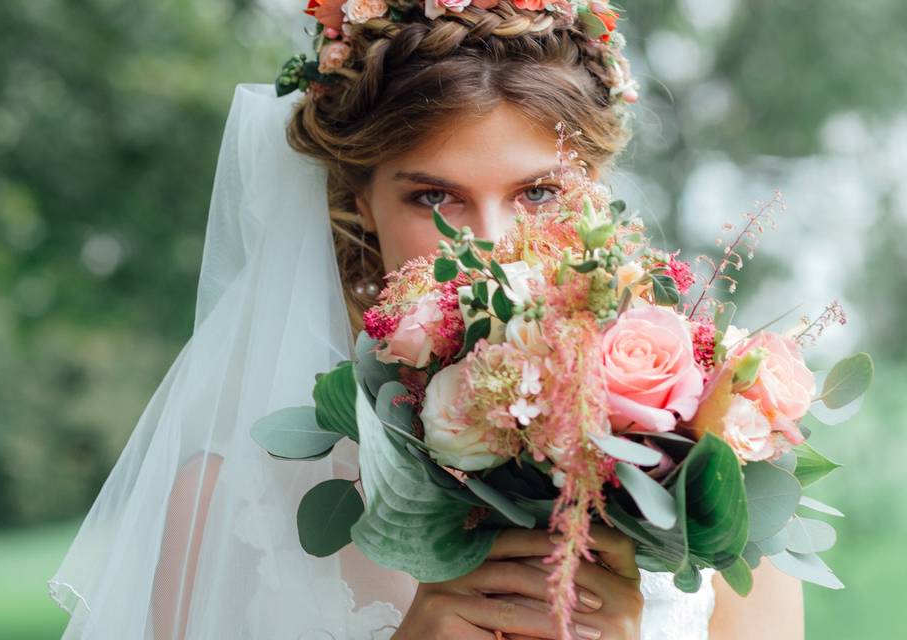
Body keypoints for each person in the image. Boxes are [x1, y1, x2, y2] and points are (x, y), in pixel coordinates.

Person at [49, 3, 804, 639]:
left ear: (596, 192)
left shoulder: (710, 488)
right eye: (433, 198)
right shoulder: (224, 507)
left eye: (538, 193)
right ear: (358, 206)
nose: (491, 247)